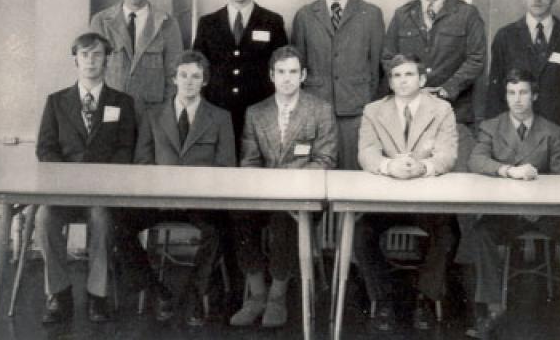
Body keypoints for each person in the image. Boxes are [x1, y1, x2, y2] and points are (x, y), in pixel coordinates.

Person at [468, 69, 560, 340]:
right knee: (481, 233)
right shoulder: (491, 126)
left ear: (534, 95)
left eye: (523, 92)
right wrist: (509, 171)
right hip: (507, 212)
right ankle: (492, 310)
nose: (517, 99)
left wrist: (553, 192)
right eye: (511, 93)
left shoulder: (551, 130)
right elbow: (476, 161)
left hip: (544, 212)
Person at [114, 50, 236, 327]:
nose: (189, 82)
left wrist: (198, 191)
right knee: (118, 222)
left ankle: (195, 293)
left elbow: (227, 168)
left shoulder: (220, 117)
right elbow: (142, 162)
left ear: (204, 81)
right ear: (174, 79)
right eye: (184, 76)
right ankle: (159, 291)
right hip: (159, 201)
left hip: (201, 203)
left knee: (217, 230)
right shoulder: (153, 115)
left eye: (196, 76)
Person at [229, 45, 337, 329]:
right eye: (281, 72)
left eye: (293, 72)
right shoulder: (255, 112)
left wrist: (285, 183)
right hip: (263, 197)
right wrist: (265, 188)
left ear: (303, 75)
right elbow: (249, 161)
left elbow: (325, 160)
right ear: (271, 76)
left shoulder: (320, 110)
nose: (287, 78)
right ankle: (257, 295)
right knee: (239, 215)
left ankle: (277, 296)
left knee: (283, 219)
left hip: (302, 199)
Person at [35, 32, 137, 324]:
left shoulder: (122, 102)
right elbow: (45, 148)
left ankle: (97, 296)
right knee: (44, 219)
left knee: (102, 219)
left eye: (97, 55)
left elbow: (125, 149)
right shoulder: (56, 102)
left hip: (101, 192)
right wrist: (69, 178)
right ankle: (58, 293)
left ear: (107, 60)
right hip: (64, 191)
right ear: (75, 60)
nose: (90, 61)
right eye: (84, 55)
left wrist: (99, 179)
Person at [355, 54, 459, 332]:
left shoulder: (442, 109)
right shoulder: (373, 110)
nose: (402, 81)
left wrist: (422, 168)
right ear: (390, 81)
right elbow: (366, 153)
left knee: (448, 233)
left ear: (422, 79)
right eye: (396, 76)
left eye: (409, 75)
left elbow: (448, 155)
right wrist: (389, 166)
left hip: (427, 201)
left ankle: (425, 298)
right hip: (385, 201)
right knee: (360, 233)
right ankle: (384, 299)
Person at [291, 0, 384, 170]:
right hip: (316, 106)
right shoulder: (304, 15)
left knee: (352, 171)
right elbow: (298, 67)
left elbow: (379, 67)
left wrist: (369, 104)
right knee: (315, 170)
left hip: (356, 109)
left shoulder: (370, 14)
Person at [485, 0, 560, 151]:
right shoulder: (505, 36)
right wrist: (495, 129)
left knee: (554, 177)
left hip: (556, 127)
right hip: (514, 128)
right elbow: (495, 87)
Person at [382, 0, 485, 135]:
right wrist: (411, 88)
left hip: (455, 110)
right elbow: (389, 58)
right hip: (411, 110)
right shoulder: (402, 15)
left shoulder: (467, 13)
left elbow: (476, 58)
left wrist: (447, 89)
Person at [193, 0, 287, 152]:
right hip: (218, 110)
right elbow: (198, 69)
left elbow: (283, 68)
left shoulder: (272, 21)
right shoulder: (207, 23)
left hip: (260, 110)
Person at [90, 0, 183, 115]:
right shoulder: (101, 21)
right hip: (111, 107)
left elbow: (174, 73)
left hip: (151, 111)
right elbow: (93, 68)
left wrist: (165, 111)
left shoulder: (167, 23)